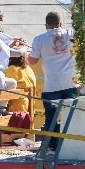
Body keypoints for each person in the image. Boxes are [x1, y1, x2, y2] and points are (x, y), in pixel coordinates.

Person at [28, 11, 78, 151]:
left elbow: (32, 61)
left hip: (51, 86)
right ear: (60, 24)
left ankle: (52, 145)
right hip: (71, 84)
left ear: (46, 26)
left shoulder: (39, 39)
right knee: (73, 115)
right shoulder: (70, 33)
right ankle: (73, 145)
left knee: (50, 116)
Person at [4, 47, 36, 114]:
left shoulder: (11, 69)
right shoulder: (29, 69)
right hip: (28, 107)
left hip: (16, 108)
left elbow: (3, 86)